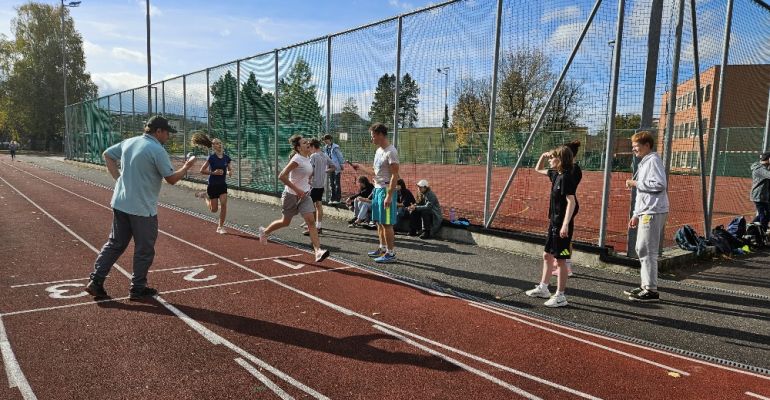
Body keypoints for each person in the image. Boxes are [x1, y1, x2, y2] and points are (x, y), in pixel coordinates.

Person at [85, 116, 197, 300]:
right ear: (158, 131)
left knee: (115, 244)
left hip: (120, 203)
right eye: (167, 132)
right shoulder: (157, 149)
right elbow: (171, 179)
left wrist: (119, 179)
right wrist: (187, 166)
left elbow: (107, 154)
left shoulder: (130, 142)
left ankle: (96, 281)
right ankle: (137, 288)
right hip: (142, 209)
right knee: (144, 249)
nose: (168, 136)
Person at [258, 135, 330, 263]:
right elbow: (282, 176)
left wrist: (307, 181)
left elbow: (305, 174)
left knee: (311, 221)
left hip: (305, 196)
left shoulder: (307, 158)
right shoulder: (297, 159)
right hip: (291, 195)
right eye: (304, 143)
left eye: (307, 142)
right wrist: (298, 190)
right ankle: (265, 231)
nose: (308, 143)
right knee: (285, 222)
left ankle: (318, 251)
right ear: (298, 147)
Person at [525, 145, 580, 308]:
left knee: (561, 260)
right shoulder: (556, 174)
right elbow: (538, 168)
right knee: (547, 256)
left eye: (552, 157)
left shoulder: (566, 178)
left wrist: (565, 225)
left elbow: (572, 201)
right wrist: (543, 154)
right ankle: (543, 288)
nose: (549, 160)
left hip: (561, 226)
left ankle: (561, 296)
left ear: (560, 160)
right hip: (553, 223)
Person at [623, 130, 669, 302]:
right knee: (641, 249)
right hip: (647, 210)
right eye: (633, 147)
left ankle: (651, 289)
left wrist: (635, 183)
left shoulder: (653, 160)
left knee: (646, 249)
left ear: (647, 145)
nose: (634, 150)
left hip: (654, 211)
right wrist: (636, 214)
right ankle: (645, 285)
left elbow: (659, 184)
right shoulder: (644, 162)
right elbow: (642, 195)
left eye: (636, 147)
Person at [351, 123, 399, 263]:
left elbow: (395, 176)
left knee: (387, 223)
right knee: (379, 222)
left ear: (380, 135)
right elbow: (374, 172)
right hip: (377, 189)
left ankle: (391, 253)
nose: (371, 139)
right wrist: (359, 167)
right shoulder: (379, 151)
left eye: (373, 136)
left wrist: (389, 195)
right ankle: (382, 248)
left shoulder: (391, 152)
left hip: (386, 190)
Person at [552, 140, 581, 278]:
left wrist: (565, 223)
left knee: (566, 239)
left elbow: (570, 197)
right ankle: (562, 262)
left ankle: (566, 264)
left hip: (567, 209)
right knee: (561, 240)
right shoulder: (563, 172)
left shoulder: (570, 172)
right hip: (561, 208)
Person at [194, 136, 232, 234]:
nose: (217, 144)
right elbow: (202, 170)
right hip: (212, 185)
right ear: (213, 146)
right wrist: (213, 173)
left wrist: (229, 172)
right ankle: (205, 197)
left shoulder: (226, 158)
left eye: (219, 143)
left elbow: (229, 169)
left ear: (221, 144)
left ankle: (220, 227)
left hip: (222, 185)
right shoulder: (211, 158)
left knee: (224, 205)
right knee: (214, 210)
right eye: (215, 143)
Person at [304, 138, 336, 235]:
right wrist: (324, 171)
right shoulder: (324, 155)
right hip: (321, 184)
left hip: (313, 184)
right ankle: (319, 226)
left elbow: (310, 170)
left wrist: (308, 179)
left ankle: (312, 228)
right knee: (318, 205)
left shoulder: (313, 156)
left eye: (309, 147)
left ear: (313, 146)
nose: (309, 149)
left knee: (310, 207)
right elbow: (334, 167)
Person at [749, 152, 770, 233]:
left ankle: (751, 226)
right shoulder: (760, 169)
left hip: (764, 196)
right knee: (764, 215)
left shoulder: (765, 167)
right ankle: (762, 233)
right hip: (758, 196)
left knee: (766, 214)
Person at [323, 134, 345, 204]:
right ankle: (332, 198)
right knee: (331, 183)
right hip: (330, 167)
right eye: (324, 140)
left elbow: (340, 156)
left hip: (336, 166)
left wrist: (341, 164)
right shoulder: (325, 148)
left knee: (337, 183)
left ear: (330, 139)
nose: (325, 141)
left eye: (326, 139)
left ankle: (338, 199)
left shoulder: (335, 147)